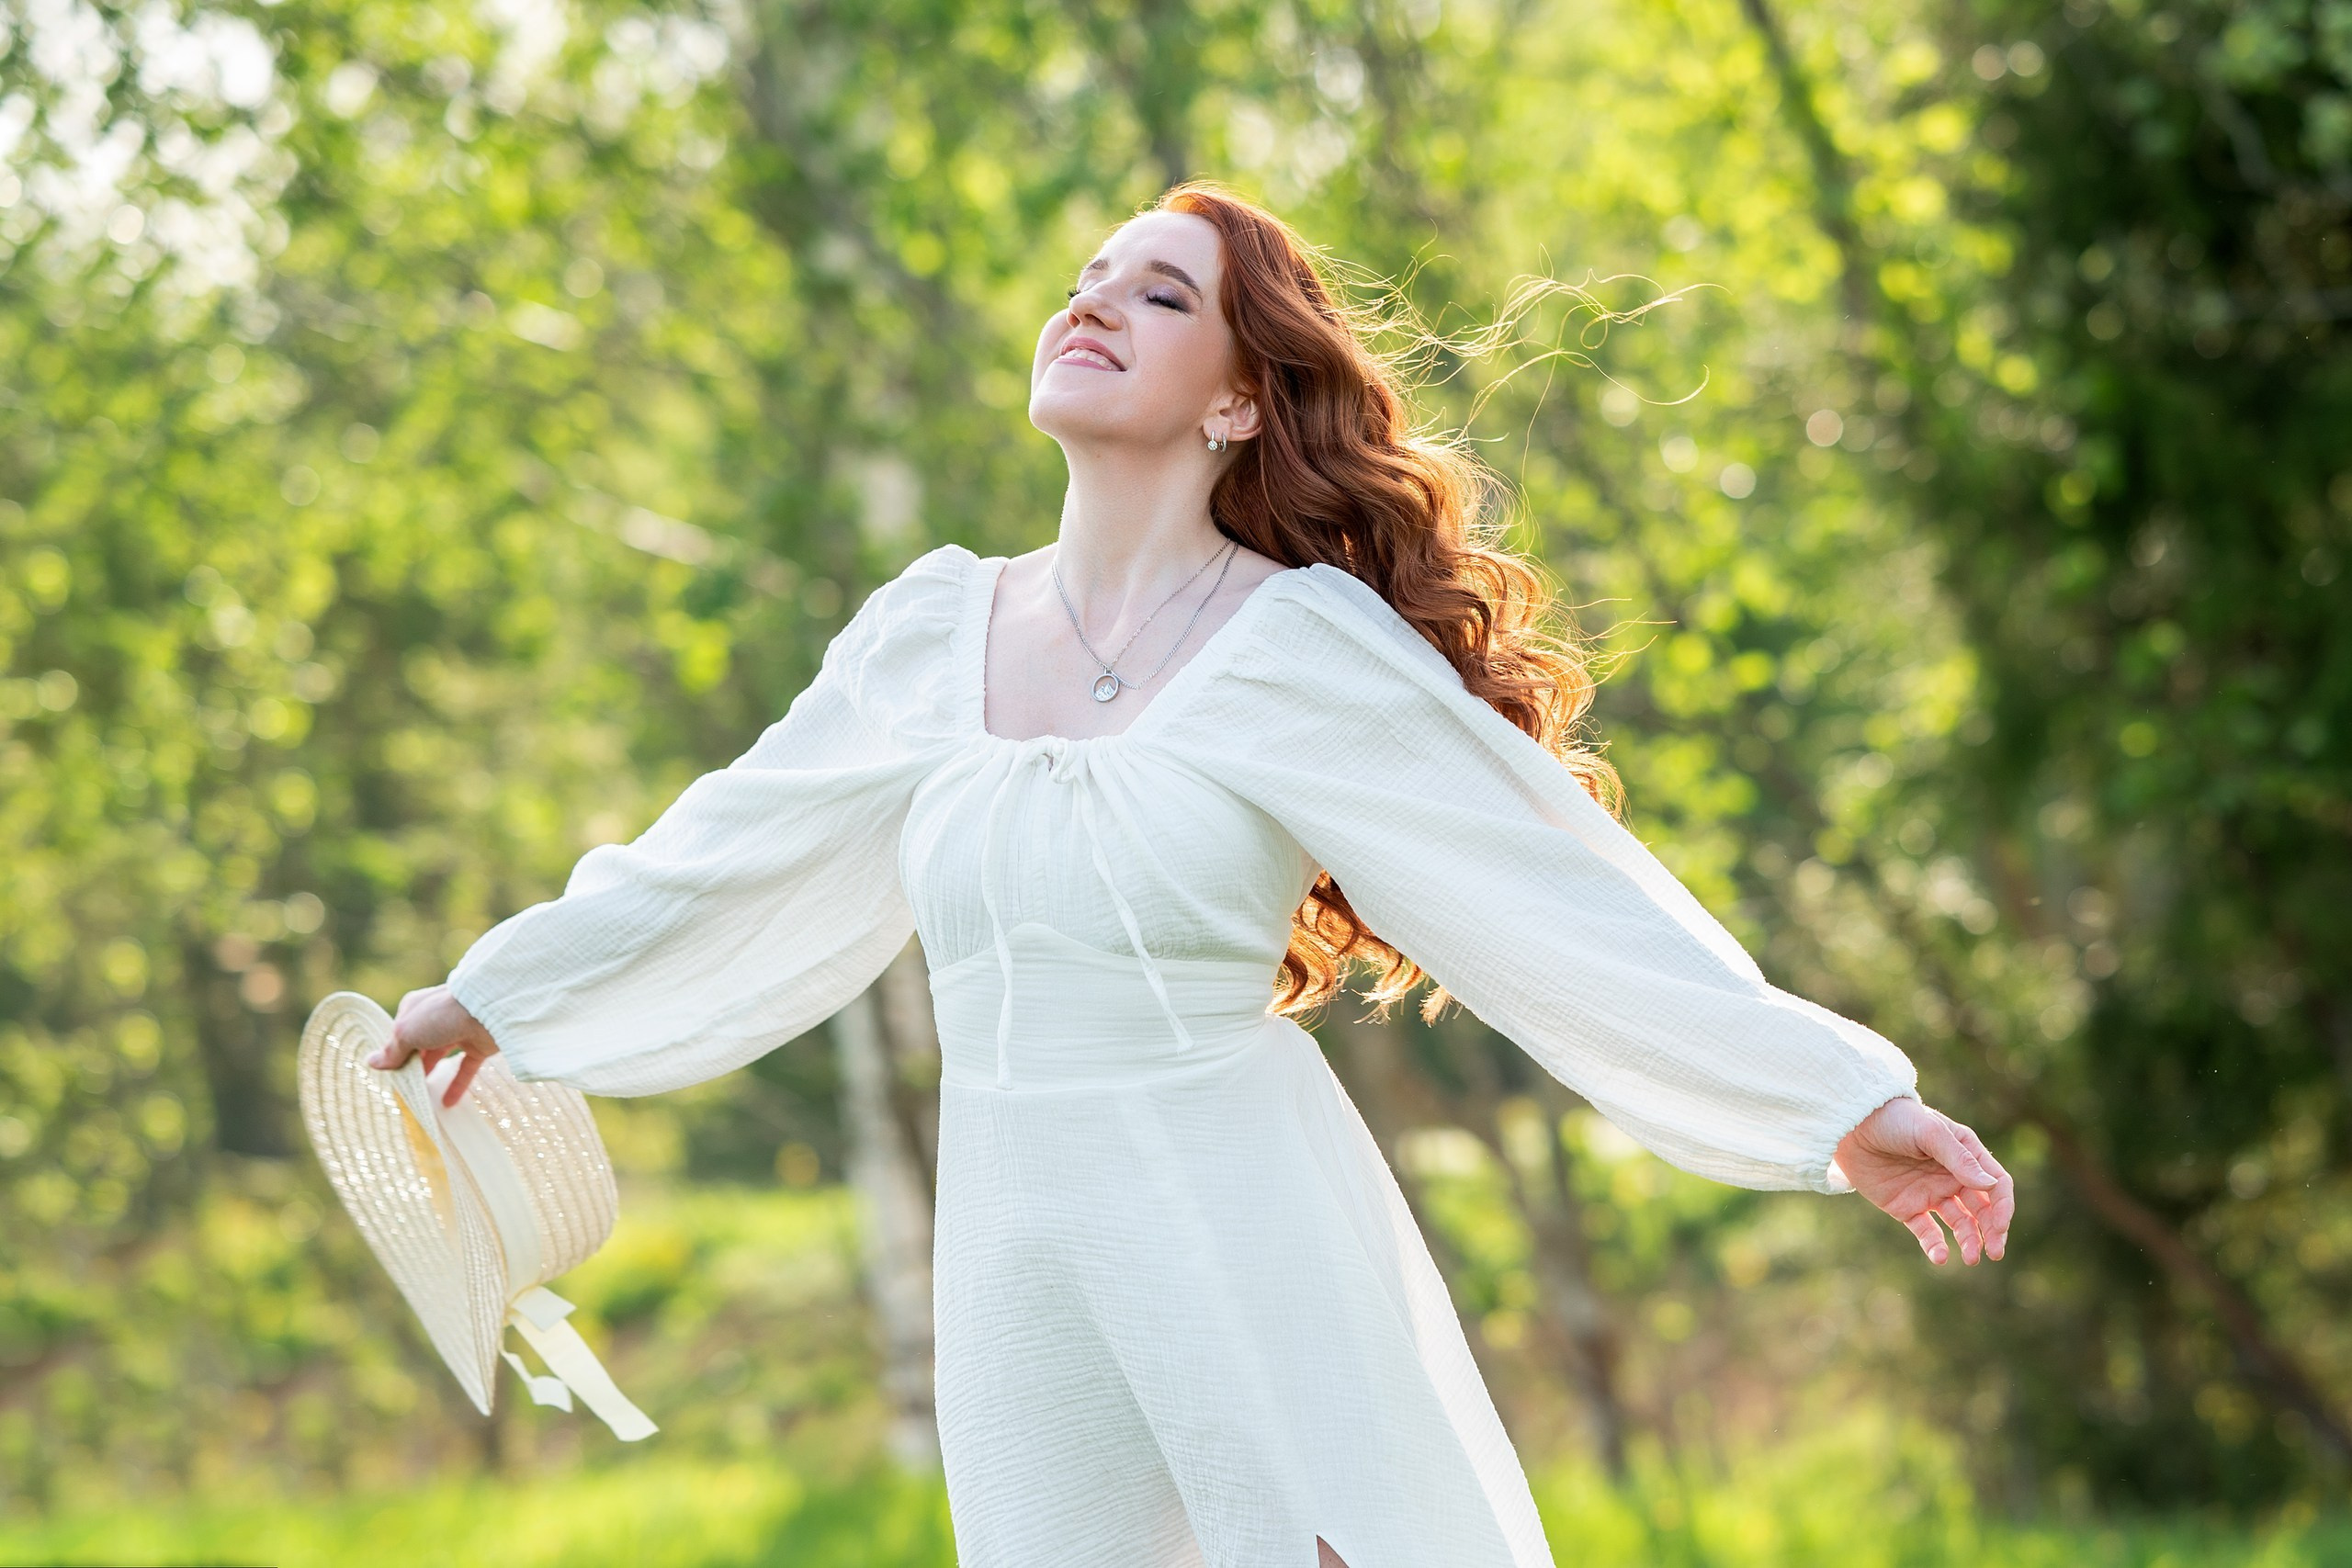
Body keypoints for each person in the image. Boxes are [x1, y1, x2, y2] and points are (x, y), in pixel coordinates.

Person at [369, 181, 2014, 1568]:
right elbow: (726, 848)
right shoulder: (932, 627)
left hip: (1236, 1205)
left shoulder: (1294, 643)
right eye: (1085, 281)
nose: (1088, 306)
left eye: (1156, 295)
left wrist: (1836, 1104)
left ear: (1237, 396)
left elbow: (1553, 890)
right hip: (1013, 1228)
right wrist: (502, 993)